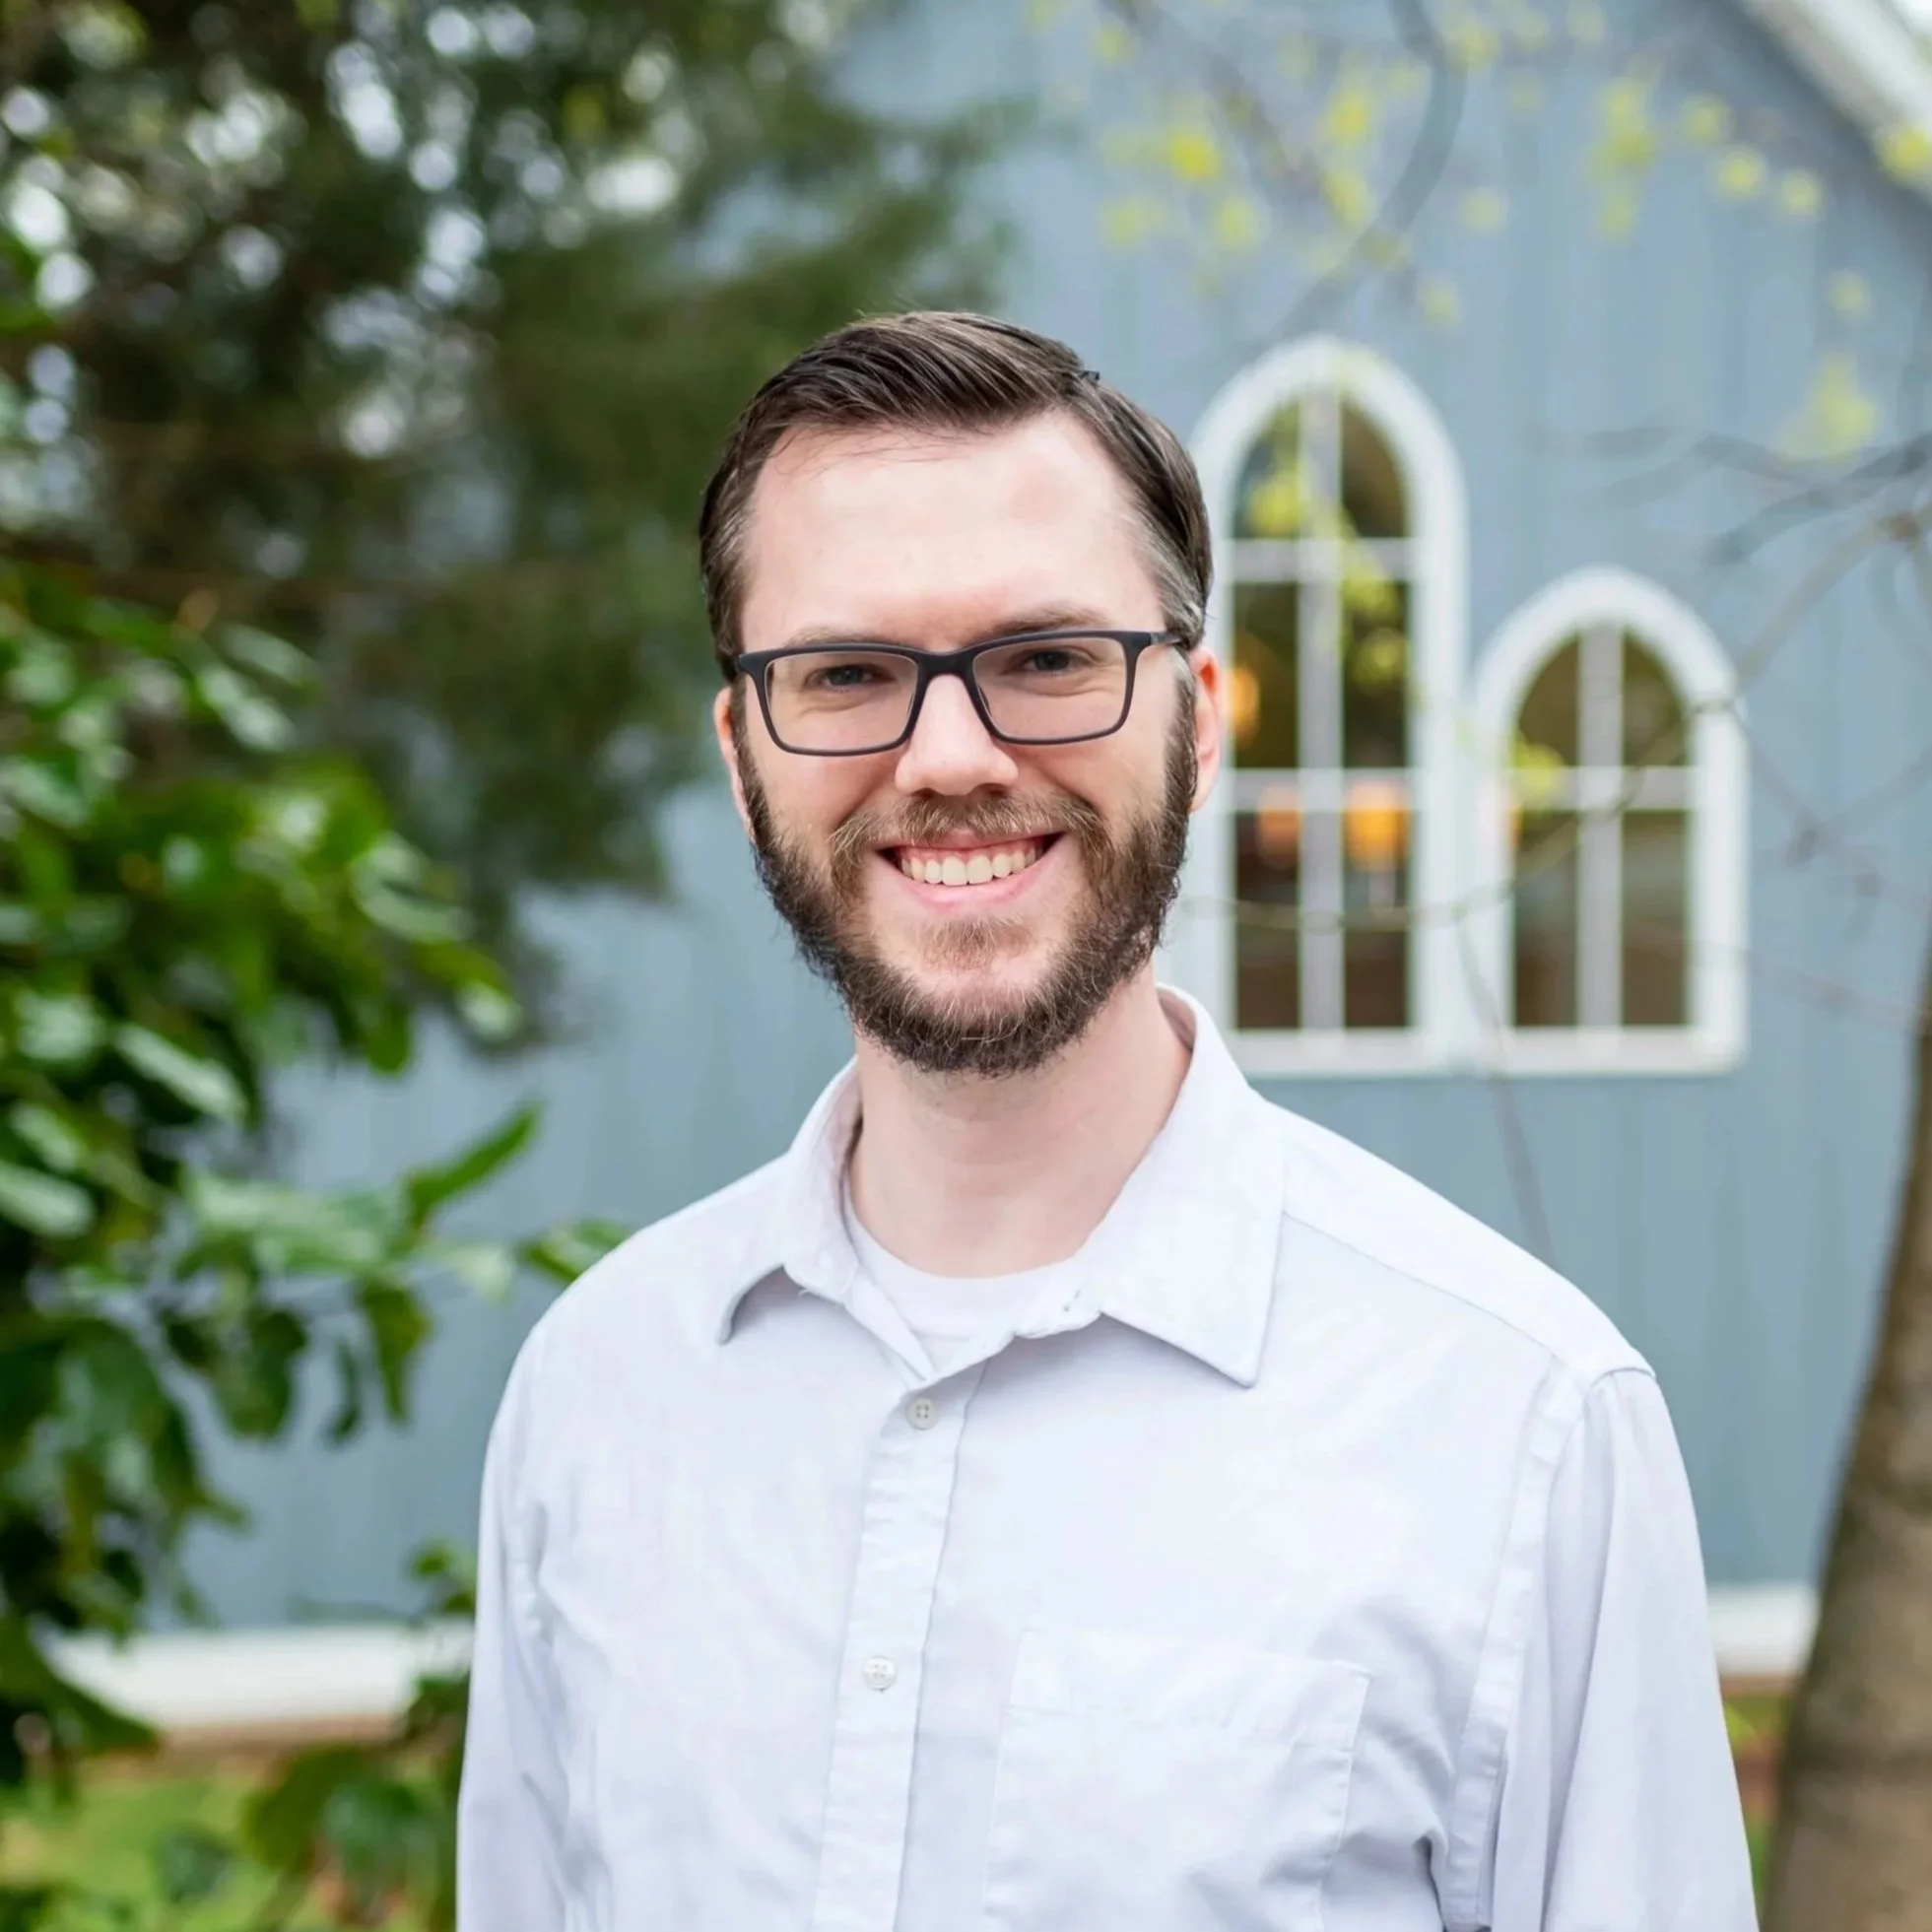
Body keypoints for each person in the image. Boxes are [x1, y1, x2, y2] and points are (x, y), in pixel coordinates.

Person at [455, 311, 1758, 1931]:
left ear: (1197, 721)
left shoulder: (1528, 1428)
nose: (950, 755)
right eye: (845, 674)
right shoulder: (598, 1394)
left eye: (1048, 660)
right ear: (742, 755)